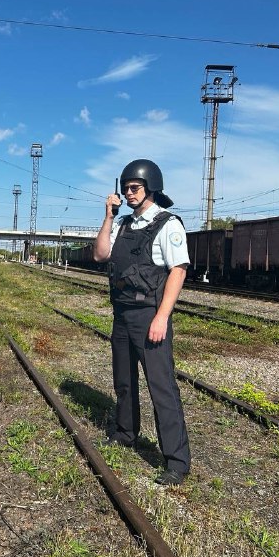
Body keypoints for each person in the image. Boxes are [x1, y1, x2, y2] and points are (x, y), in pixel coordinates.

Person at [93, 159, 191, 486]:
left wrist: (162, 316)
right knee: (124, 380)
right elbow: (101, 254)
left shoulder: (168, 225)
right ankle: (125, 433)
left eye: (134, 188)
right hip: (122, 314)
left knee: (162, 388)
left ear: (151, 188)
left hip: (150, 315)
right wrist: (108, 216)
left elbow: (178, 271)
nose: (129, 193)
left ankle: (176, 462)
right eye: (125, 189)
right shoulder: (122, 224)